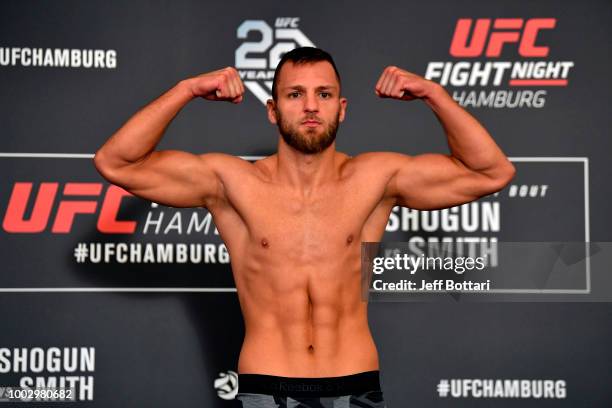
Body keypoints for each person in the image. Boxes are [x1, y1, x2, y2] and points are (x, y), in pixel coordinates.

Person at [94, 47, 515, 407]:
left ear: (341, 107)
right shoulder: (232, 182)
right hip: (266, 386)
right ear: (273, 111)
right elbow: (116, 162)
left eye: (324, 94)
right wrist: (187, 89)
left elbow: (489, 173)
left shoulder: (375, 178)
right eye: (295, 95)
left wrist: (433, 95)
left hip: (355, 385)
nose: (311, 106)